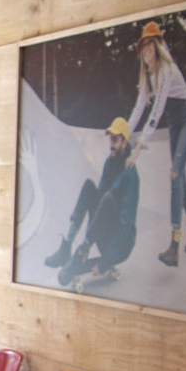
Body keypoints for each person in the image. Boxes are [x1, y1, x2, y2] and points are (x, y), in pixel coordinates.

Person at [128, 21, 186, 266]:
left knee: (174, 174)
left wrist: (139, 146)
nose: (146, 49)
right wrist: (124, 134)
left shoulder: (166, 69)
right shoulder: (147, 76)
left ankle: (174, 245)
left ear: (158, 46)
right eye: (143, 46)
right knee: (179, 176)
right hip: (175, 121)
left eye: (150, 44)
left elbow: (156, 111)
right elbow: (140, 107)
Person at [44, 117, 140, 287]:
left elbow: (127, 224)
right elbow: (98, 207)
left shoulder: (131, 175)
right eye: (110, 139)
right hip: (104, 233)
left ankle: (81, 250)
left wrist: (105, 261)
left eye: (116, 140)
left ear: (125, 143)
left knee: (109, 198)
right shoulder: (110, 163)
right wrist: (88, 245)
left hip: (121, 243)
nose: (111, 144)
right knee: (90, 186)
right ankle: (67, 247)